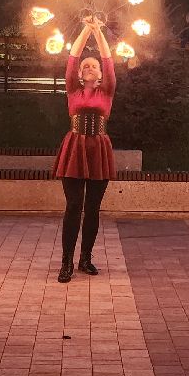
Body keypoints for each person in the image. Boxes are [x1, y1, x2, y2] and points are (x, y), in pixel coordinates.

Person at [52, 16, 115, 283]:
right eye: (86, 66)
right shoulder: (72, 90)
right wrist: (85, 29)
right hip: (75, 148)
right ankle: (66, 261)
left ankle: (85, 259)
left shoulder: (107, 91)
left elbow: (109, 60)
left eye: (94, 66)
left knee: (93, 208)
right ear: (80, 73)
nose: (90, 67)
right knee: (73, 206)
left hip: (98, 149)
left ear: (100, 74)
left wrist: (98, 31)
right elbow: (72, 57)